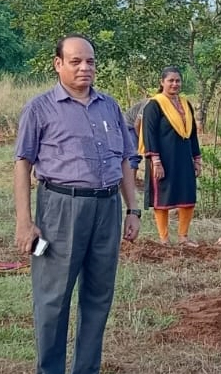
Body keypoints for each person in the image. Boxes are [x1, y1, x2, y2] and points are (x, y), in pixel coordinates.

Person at [13, 34, 141, 374]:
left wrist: (133, 209)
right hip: (60, 209)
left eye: (90, 61)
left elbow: (127, 160)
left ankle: (87, 368)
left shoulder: (110, 106)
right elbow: (22, 163)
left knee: (98, 296)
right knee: (53, 299)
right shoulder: (40, 108)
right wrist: (24, 222)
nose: (85, 68)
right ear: (58, 64)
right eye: (76, 61)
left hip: (107, 209)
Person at [138, 66, 203, 246]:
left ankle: (183, 237)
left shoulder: (185, 103)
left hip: (183, 156)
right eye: (171, 81)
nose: (175, 84)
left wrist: (197, 158)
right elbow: (149, 133)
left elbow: (192, 134)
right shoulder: (154, 105)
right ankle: (164, 239)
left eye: (178, 81)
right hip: (163, 158)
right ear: (162, 82)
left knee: (187, 195)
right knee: (163, 198)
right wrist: (156, 161)